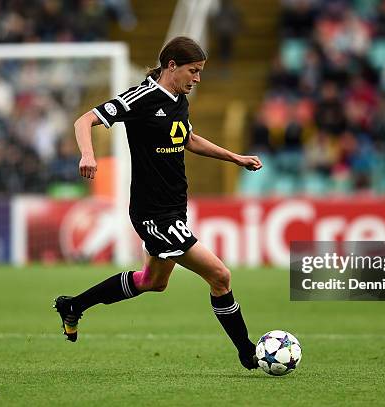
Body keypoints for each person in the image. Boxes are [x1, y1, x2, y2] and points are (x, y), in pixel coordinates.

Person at [54, 36, 263, 370]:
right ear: (172, 66)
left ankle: (73, 305)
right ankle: (248, 352)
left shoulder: (179, 98)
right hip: (153, 213)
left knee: (153, 282)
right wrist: (88, 154)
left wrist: (235, 158)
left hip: (174, 207)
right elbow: (84, 120)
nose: (197, 79)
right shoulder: (142, 97)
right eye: (193, 71)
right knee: (220, 276)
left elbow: (189, 138)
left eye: (200, 72)